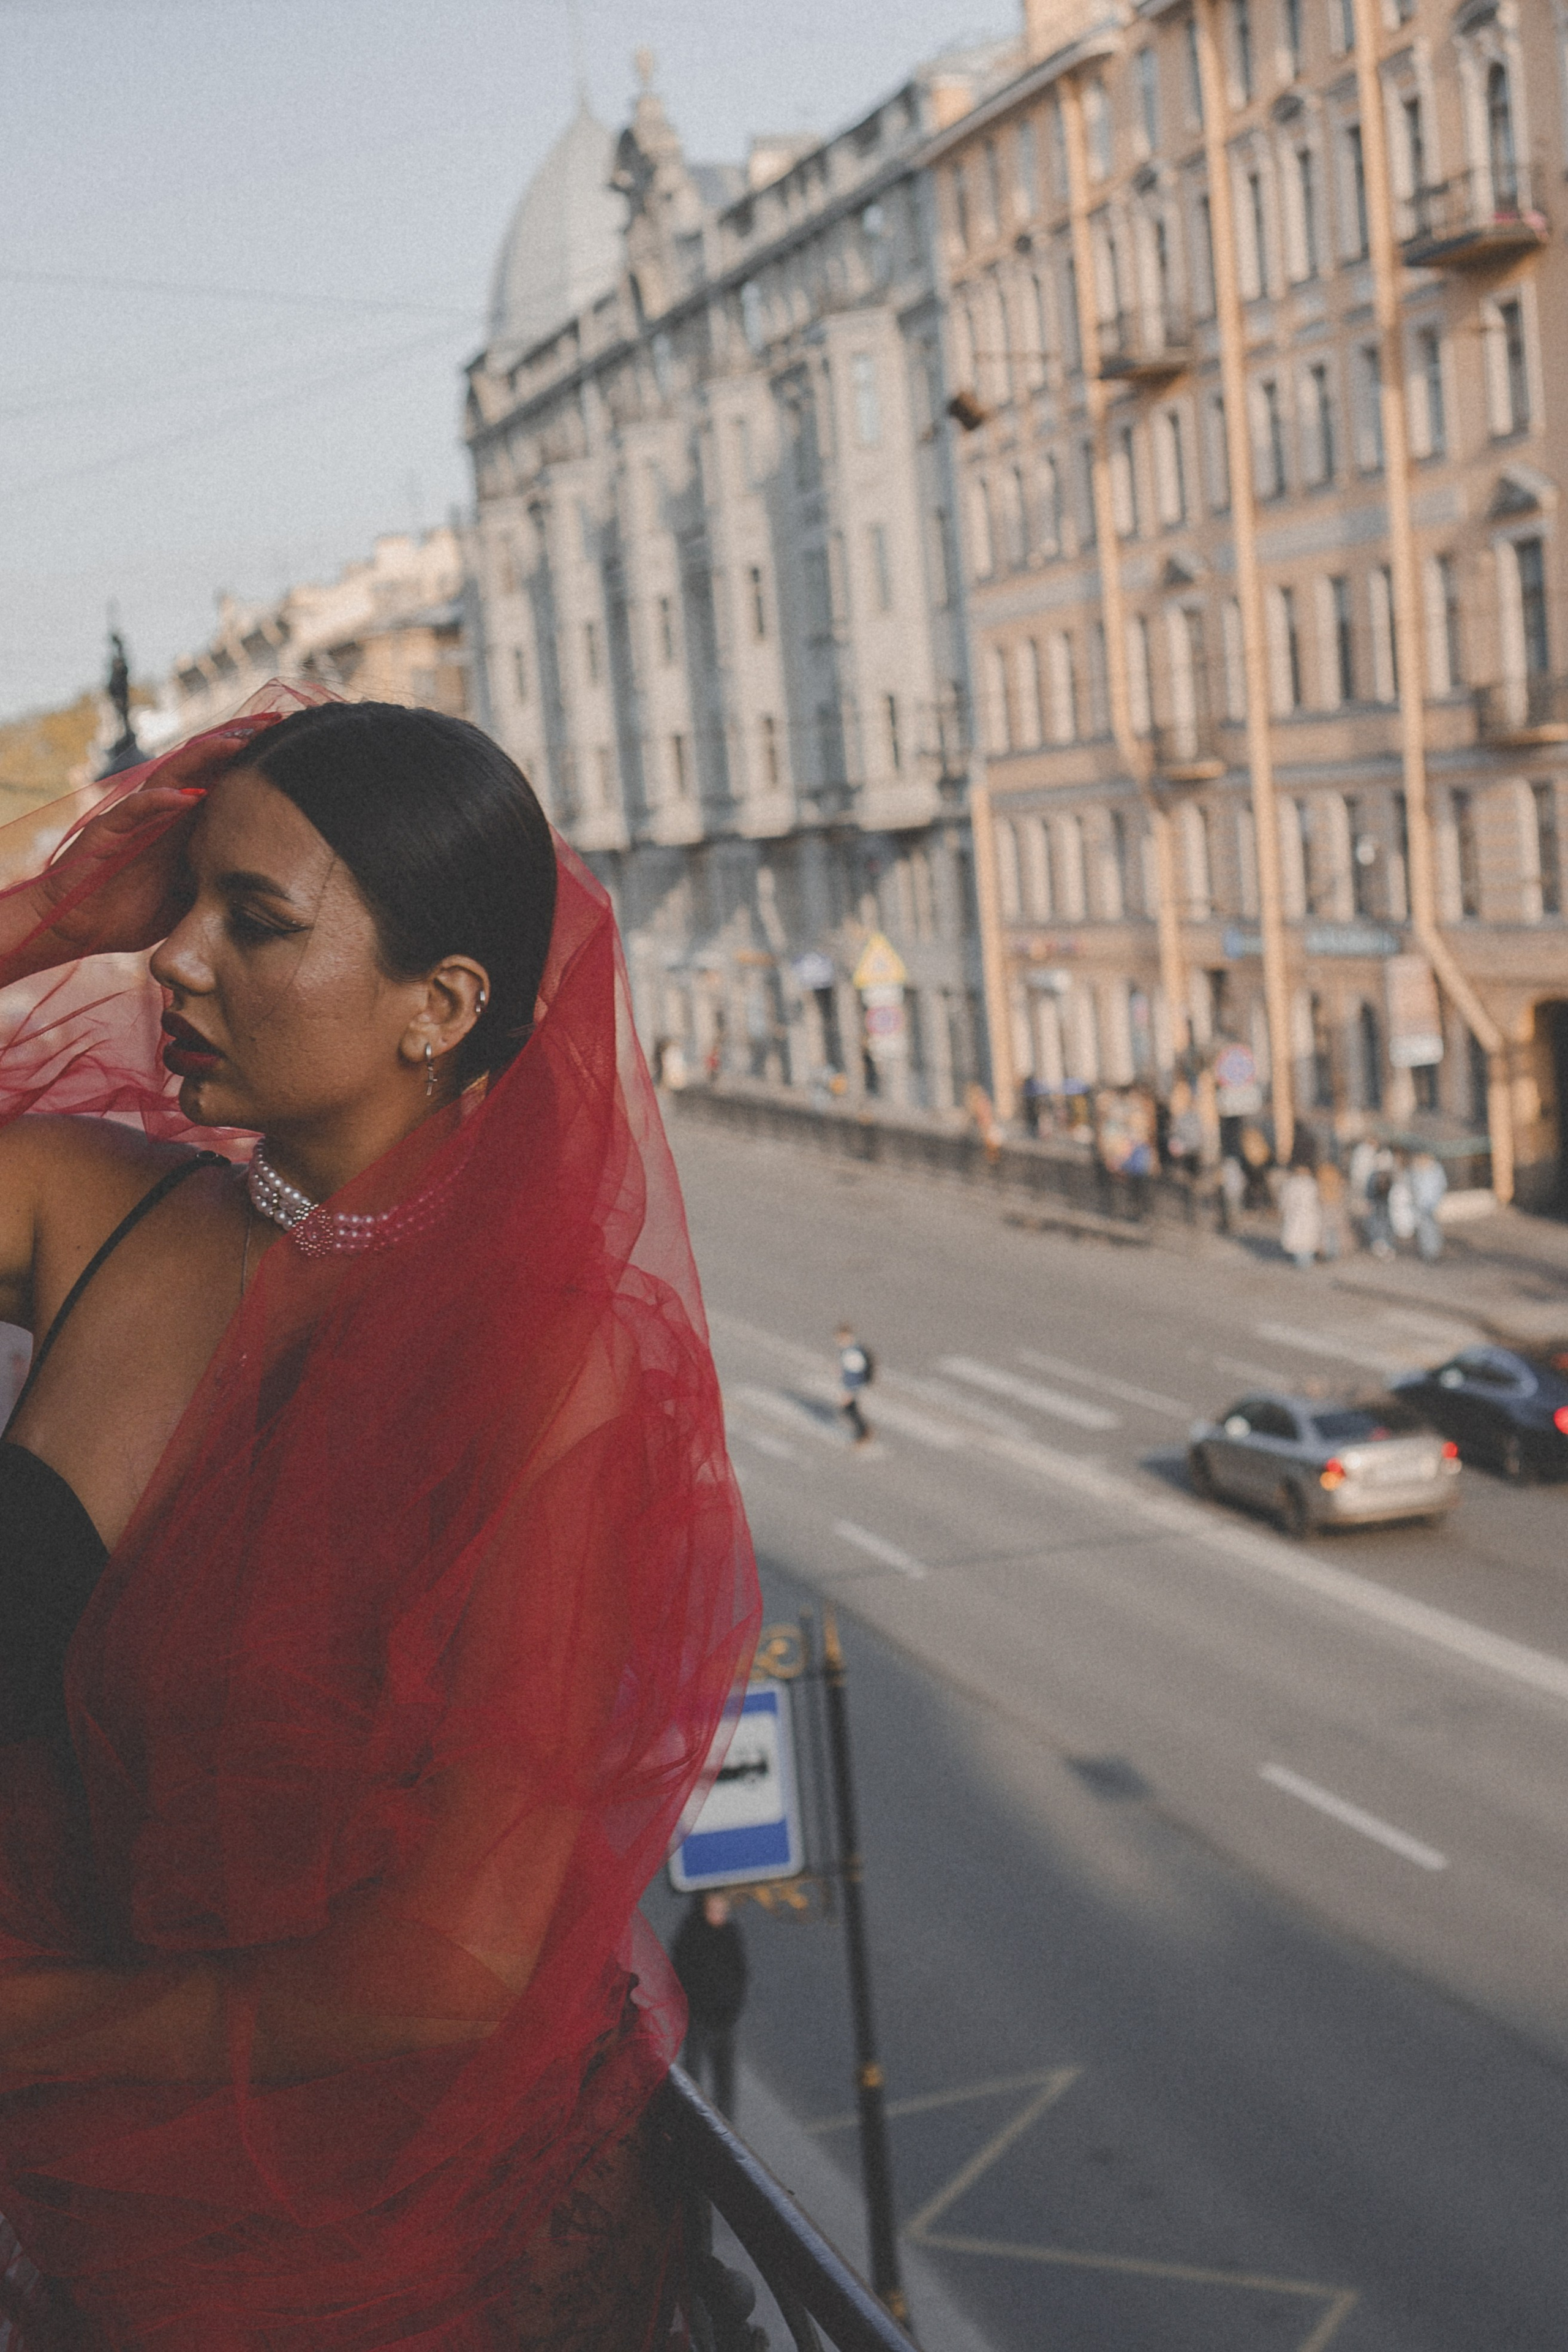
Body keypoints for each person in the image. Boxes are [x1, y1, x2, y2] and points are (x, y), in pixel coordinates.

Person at [0, 687, 759, 2351]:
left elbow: (452, 1960)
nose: (175, 962)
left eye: (254, 922)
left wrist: (31, 2029)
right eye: (180, 903)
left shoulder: (545, 1366)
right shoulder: (85, 1211)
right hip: (84, 2205)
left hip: (393, 2261)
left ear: (444, 1006)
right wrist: (50, 914)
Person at [671, 1893, 748, 2122]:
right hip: (699, 2018)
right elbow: (680, 1973)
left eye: (723, 1909)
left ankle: (727, 2130)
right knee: (693, 2077)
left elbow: (741, 1973)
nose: (720, 1914)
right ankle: (690, 2122)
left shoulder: (730, 1934)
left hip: (724, 2019)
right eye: (715, 1909)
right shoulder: (692, 1934)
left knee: (725, 2082)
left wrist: (733, 2007)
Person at [1279, 1155, 1324, 1270]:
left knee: (1302, 1240)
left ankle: (1304, 1262)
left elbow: (1284, 1202)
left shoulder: (1306, 1184)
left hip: (1303, 1216)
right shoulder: (1304, 1184)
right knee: (1304, 1240)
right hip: (1302, 1216)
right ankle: (1304, 1262)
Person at [835, 1322, 874, 1446]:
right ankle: (863, 1433)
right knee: (851, 1409)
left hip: (854, 1386)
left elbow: (853, 1373)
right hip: (857, 1385)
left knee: (849, 1409)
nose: (838, 1341)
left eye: (840, 1338)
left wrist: (849, 1391)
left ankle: (863, 1434)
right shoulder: (852, 1350)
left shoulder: (851, 1352)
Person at [1410, 1150, 1449, 1262]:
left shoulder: (1436, 1169)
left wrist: (1437, 1201)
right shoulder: (1416, 1170)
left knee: (1433, 1228)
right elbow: (1413, 1186)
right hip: (1420, 1205)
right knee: (1423, 1229)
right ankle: (1427, 1251)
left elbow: (1441, 1185)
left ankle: (1435, 1250)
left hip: (1432, 1203)